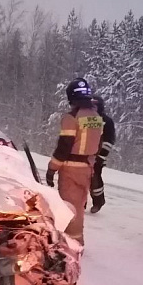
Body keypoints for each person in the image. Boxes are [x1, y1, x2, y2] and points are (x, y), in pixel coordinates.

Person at [46, 78, 103, 245]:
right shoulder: (95, 116)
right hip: (87, 168)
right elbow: (97, 144)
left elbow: (64, 146)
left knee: (69, 208)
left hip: (71, 169)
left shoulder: (71, 118)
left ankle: (70, 245)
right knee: (79, 207)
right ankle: (77, 242)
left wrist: (52, 168)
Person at [89, 94, 116, 214]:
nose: (94, 108)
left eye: (96, 106)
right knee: (80, 179)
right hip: (84, 155)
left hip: (98, 156)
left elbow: (109, 140)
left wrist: (101, 156)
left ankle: (98, 201)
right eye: (92, 105)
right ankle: (80, 203)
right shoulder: (87, 119)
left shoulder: (107, 121)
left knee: (95, 179)